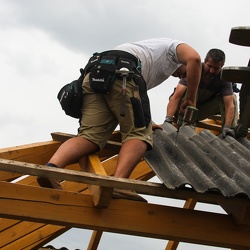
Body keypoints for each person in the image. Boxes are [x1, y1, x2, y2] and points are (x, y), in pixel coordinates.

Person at [37, 38, 201, 201]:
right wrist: (191, 99)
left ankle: (51, 170)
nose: (183, 77)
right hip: (122, 72)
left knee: (89, 137)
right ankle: (117, 184)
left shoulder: (150, 56)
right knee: (138, 136)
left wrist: (147, 121)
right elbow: (194, 59)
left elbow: (129, 103)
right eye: (186, 74)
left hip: (96, 73)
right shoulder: (172, 47)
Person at [165, 48, 238, 138]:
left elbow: (229, 105)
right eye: (210, 66)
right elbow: (176, 97)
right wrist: (168, 119)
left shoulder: (224, 79)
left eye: (216, 68)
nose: (212, 71)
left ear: (222, 66)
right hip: (181, 109)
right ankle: (187, 124)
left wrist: (227, 126)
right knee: (192, 88)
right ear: (205, 61)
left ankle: (230, 130)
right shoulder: (194, 70)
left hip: (200, 111)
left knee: (232, 97)